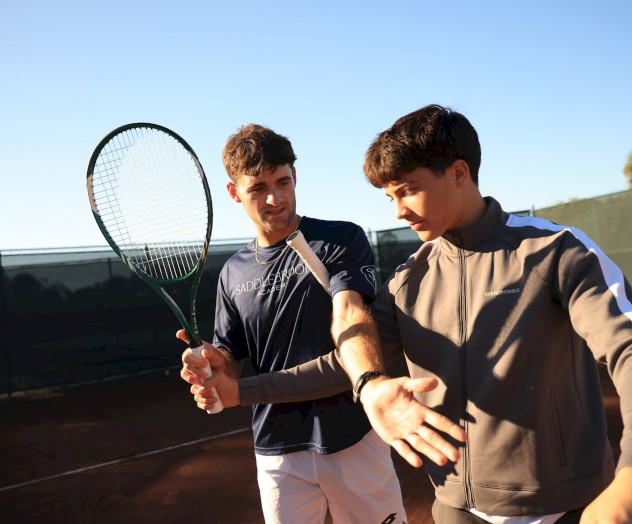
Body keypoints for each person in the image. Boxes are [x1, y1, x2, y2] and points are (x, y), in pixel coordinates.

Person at [189, 105, 632, 523]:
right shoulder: (408, 280)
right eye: (390, 197)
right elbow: (345, 359)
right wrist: (240, 391)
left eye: (408, 190)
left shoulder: (554, 250)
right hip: (455, 509)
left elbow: (626, 349)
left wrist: (628, 480)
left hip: (569, 507)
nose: (399, 210)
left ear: (459, 173)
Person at [178, 123, 466, 524]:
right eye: (258, 188)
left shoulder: (338, 239)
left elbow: (351, 313)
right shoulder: (232, 272)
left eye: (283, 181)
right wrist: (216, 361)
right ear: (234, 193)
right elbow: (234, 355)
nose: (275, 198)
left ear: (295, 177)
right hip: (276, 450)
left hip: (353, 437)